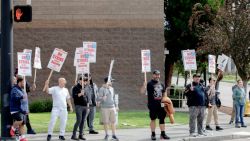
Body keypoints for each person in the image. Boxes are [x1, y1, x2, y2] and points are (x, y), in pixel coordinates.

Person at [146, 70, 170, 140]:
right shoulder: (149, 84)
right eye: (156, 75)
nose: (157, 76)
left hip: (161, 104)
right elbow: (142, 91)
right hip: (152, 104)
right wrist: (144, 86)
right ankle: (153, 134)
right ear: (153, 75)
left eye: (158, 75)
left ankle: (163, 134)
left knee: (162, 119)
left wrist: (165, 101)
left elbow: (164, 93)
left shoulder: (162, 84)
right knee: (153, 119)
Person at [14, 68, 37, 134]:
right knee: (18, 118)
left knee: (25, 116)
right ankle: (16, 130)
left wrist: (33, 87)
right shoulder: (14, 79)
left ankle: (28, 130)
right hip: (17, 102)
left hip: (23, 102)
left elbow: (28, 89)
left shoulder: (24, 81)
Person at [98, 76, 119, 141]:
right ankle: (107, 134)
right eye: (111, 81)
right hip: (105, 108)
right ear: (108, 81)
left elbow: (113, 97)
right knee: (106, 122)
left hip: (112, 107)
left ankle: (114, 135)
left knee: (113, 122)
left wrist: (116, 105)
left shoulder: (112, 88)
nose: (112, 82)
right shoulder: (102, 89)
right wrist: (102, 98)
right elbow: (98, 98)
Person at [10, 76, 28, 141]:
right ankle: (12, 129)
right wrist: (21, 97)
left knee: (23, 124)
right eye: (24, 82)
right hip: (15, 109)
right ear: (20, 82)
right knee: (20, 120)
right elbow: (14, 98)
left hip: (22, 110)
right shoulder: (14, 89)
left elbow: (25, 102)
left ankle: (22, 138)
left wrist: (26, 109)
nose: (25, 83)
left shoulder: (23, 90)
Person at [71, 76, 89, 140]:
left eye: (85, 81)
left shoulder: (85, 88)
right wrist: (80, 94)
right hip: (78, 106)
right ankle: (73, 135)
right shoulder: (75, 87)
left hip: (85, 106)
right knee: (79, 120)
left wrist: (87, 104)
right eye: (83, 80)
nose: (84, 82)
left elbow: (86, 97)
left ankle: (80, 135)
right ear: (80, 80)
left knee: (83, 121)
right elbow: (74, 96)